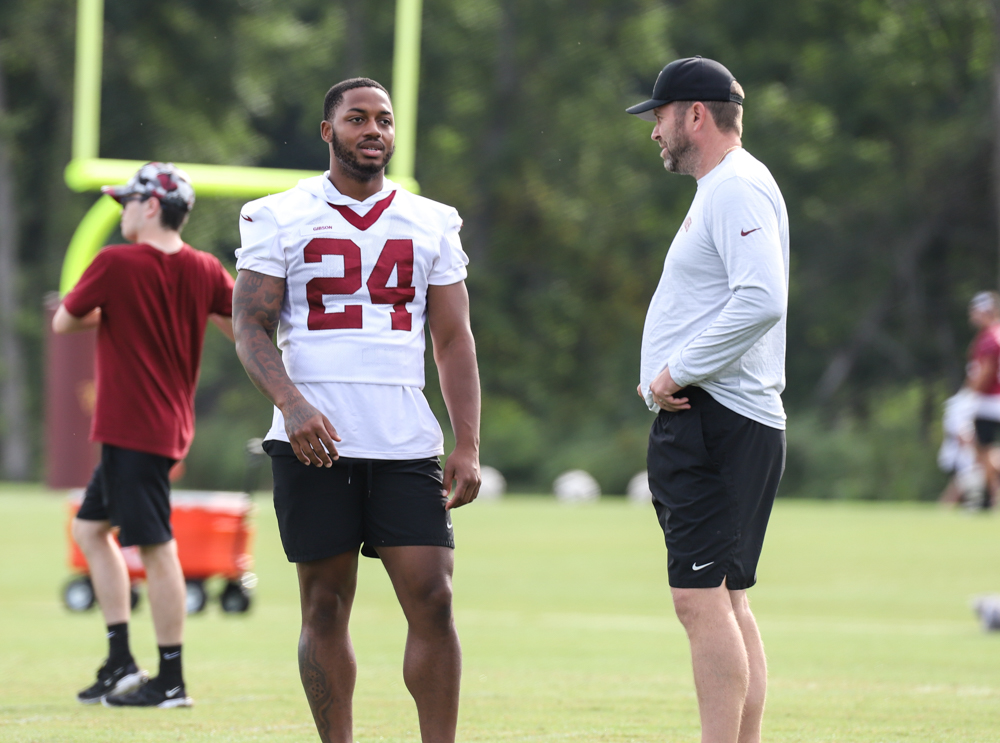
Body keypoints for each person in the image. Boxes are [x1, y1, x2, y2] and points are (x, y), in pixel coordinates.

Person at [232, 77, 481, 743]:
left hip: (404, 437)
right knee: (323, 605)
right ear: (327, 131)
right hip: (315, 440)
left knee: (434, 598)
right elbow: (250, 327)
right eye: (358, 119)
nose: (374, 130)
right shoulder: (276, 214)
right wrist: (294, 405)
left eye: (385, 120)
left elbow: (453, 338)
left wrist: (467, 442)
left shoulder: (432, 220)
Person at [627, 57, 789, 743]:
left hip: (713, 417)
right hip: (725, 419)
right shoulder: (726, 187)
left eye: (660, 116)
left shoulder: (734, 187)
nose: (654, 132)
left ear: (695, 113)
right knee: (725, 598)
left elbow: (762, 297)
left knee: (699, 600)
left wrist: (674, 371)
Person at [53, 162, 235, 708]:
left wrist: (112, 311)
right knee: (90, 531)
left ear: (151, 206)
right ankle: (120, 661)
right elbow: (241, 328)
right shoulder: (205, 268)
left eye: (126, 203)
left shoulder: (115, 263)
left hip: (135, 428)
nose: (122, 213)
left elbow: (65, 320)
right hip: (160, 425)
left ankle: (171, 678)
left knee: (156, 549)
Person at [965, 290, 1000, 509]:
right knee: (983, 449)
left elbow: (986, 372)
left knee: (982, 449)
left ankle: (989, 498)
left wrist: (970, 393)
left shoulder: (990, 337)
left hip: (990, 401)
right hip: (993, 400)